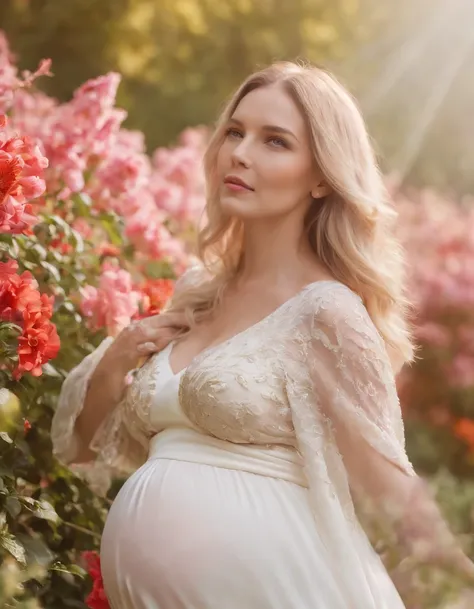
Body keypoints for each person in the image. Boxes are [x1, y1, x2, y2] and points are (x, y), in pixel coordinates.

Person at [51, 61, 474, 609]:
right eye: (235, 131)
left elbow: (394, 497)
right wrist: (117, 362)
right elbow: (80, 445)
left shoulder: (327, 313)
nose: (241, 153)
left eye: (275, 141)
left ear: (322, 175)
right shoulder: (198, 294)